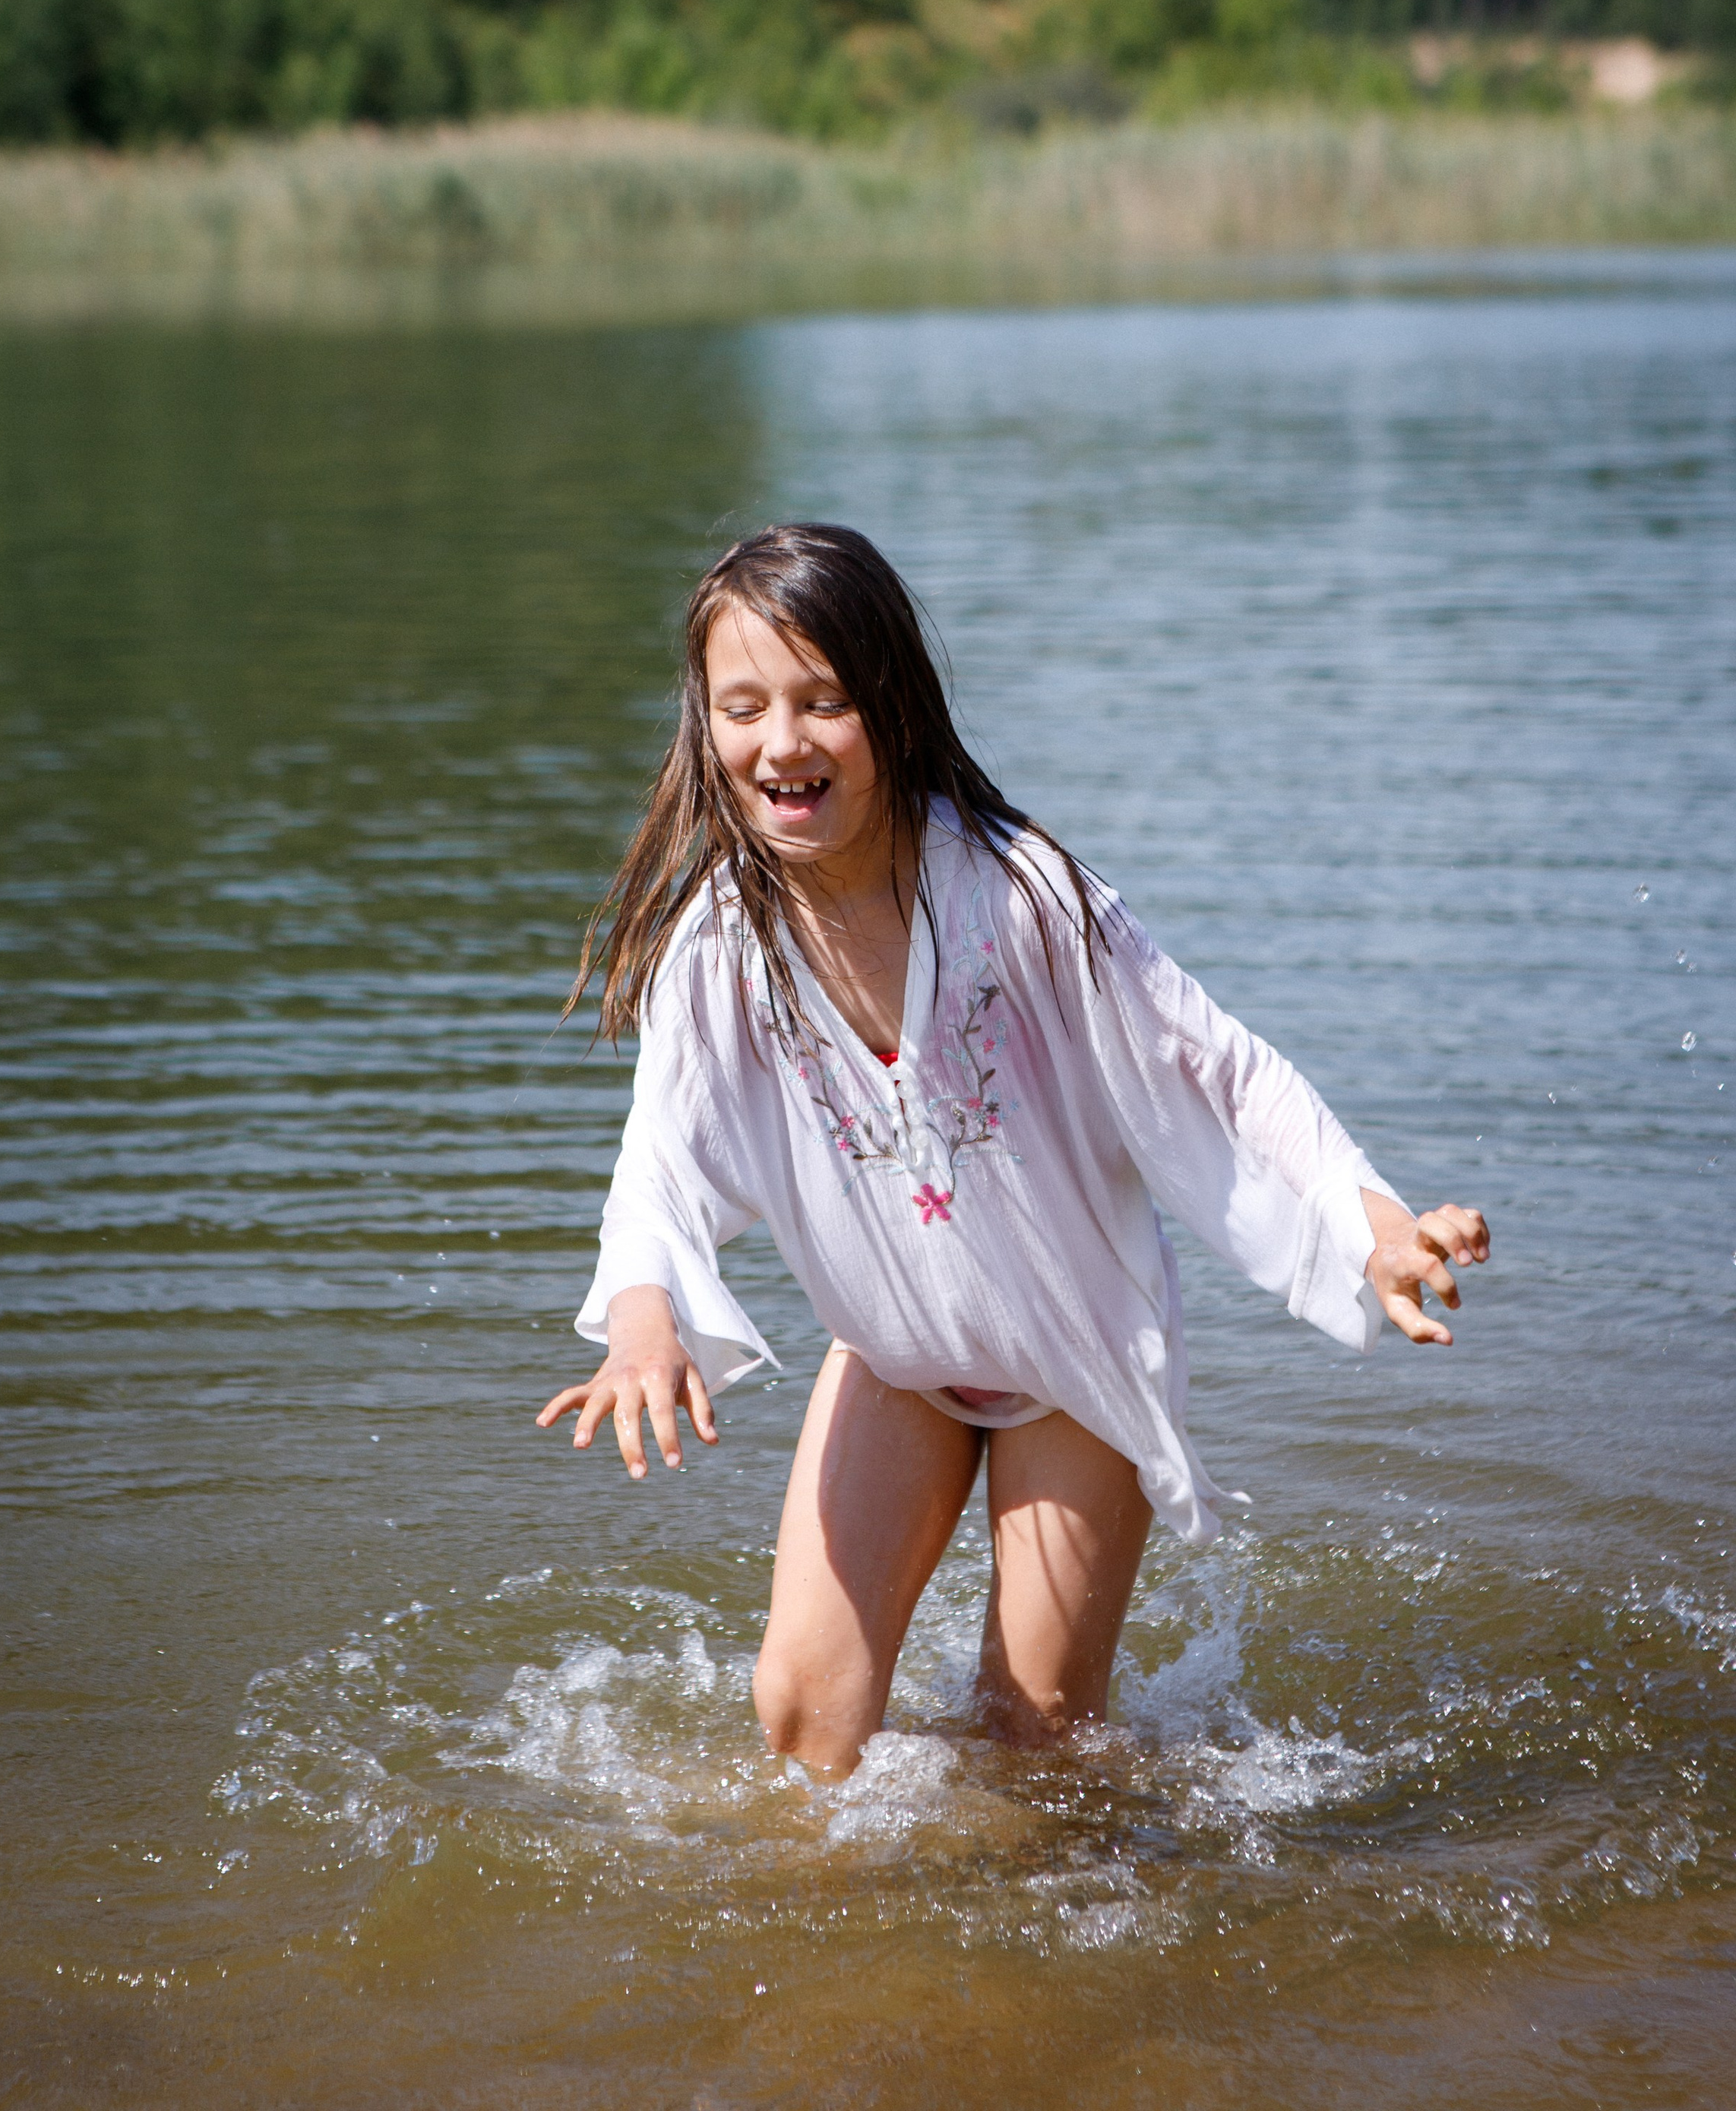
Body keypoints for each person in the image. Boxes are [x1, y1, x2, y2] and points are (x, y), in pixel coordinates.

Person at [536, 523, 1488, 1781]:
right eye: (745, 707)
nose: (783, 745)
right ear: (703, 726)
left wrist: (1368, 1221)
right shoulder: (722, 946)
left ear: (892, 706)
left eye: (824, 703)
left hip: (1073, 1360)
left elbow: (1217, 1066)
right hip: (900, 1356)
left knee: (1037, 1739)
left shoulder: (1020, 896)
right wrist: (648, 1323)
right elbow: (662, 1158)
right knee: (801, 1715)